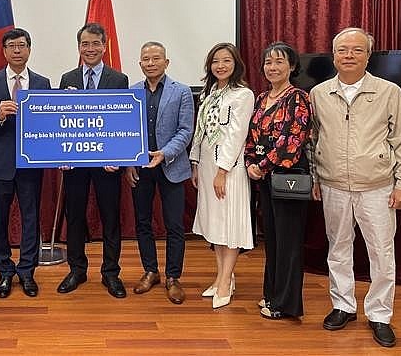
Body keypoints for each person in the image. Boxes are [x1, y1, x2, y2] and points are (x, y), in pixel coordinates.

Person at [310, 28, 401, 348]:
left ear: (368, 55)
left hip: (378, 187)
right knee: (338, 248)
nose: (349, 55)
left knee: (381, 253)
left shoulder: (388, 91)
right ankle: (343, 305)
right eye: (342, 50)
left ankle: (380, 314)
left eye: (356, 50)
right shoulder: (319, 93)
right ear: (334, 55)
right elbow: (313, 141)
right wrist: (315, 178)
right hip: (333, 185)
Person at [0, 28, 51, 298]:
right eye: (12, 46)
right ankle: (4, 271)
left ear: (29, 49)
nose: (17, 51)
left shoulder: (42, 82)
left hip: (31, 163)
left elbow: (50, 124)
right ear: (3, 52)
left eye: (22, 46)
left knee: (31, 218)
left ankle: (27, 271)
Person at [57, 23, 129, 298]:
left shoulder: (118, 79)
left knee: (111, 218)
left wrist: (120, 159)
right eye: (85, 44)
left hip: (107, 163)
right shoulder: (67, 78)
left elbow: (122, 122)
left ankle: (110, 273)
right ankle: (77, 270)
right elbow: (61, 122)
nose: (90, 49)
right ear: (79, 48)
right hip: (74, 164)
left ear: (104, 46)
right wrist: (62, 155)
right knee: (74, 217)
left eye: (95, 44)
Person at [244, 42, 313, 320]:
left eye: (279, 62)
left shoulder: (298, 98)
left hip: (287, 178)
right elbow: (252, 137)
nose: (272, 67)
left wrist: (261, 166)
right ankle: (272, 294)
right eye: (268, 62)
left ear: (292, 66)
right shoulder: (261, 98)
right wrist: (251, 162)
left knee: (289, 242)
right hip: (264, 179)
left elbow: (292, 141)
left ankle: (286, 304)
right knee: (271, 240)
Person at [126, 42, 194, 304]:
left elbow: (185, 130)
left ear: (167, 62)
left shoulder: (182, 92)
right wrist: (129, 164)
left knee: (174, 225)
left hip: (171, 166)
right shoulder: (131, 92)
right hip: (140, 168)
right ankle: (150, 271)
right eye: (146, 59)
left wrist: (164, 153)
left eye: (156, 58)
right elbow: (124, 133)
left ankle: (173, 277)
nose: (151, 63)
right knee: (143, 222)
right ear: (140, 63)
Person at [190, 43, 254, 309]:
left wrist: (222, 171)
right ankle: (221, 276)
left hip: (227, 168)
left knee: (229, 225)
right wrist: (195, 162)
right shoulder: (209, 93)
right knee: (214, 224)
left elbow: (237, 136)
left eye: (226, 61)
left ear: (235, 64)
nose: (220, 66)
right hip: (205, 165)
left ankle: (226, 281)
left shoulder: (243, 95)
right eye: (216, 61)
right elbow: (199, 130)